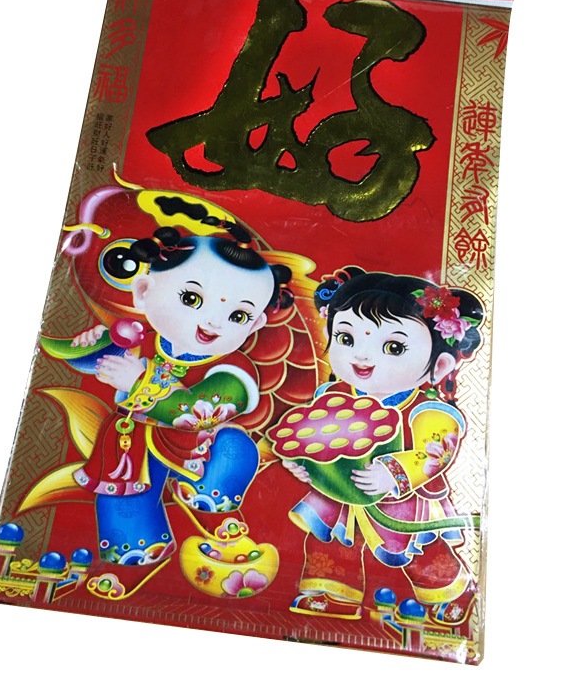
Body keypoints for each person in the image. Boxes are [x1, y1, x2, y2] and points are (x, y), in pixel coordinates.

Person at [68, 201, 295, 597]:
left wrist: (139, 381)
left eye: (238, 317)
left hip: (201, 448)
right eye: (192, 299)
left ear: (256, 324)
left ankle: (217, 516)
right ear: (143, 292)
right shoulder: (140, 339)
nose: (213, 322)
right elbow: (92, 365)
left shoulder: (235, 369)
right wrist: (89, 348)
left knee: (231, 448)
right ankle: (135, 556)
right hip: (135, 443)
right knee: (123, 498)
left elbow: (196, 412)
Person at [282, 267, 483, 625]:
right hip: (342, 491)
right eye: (346, 338)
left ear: (439, 365)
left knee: (419, 548)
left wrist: (394, 473)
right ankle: (332, 594)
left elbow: (437, 451)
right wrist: (305, 463)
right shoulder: (333, 395)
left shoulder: (426, 409)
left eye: (393, 347)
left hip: (403, 500)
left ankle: (450, 591)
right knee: (332, 541)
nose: (361, 356)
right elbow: (316, 436)